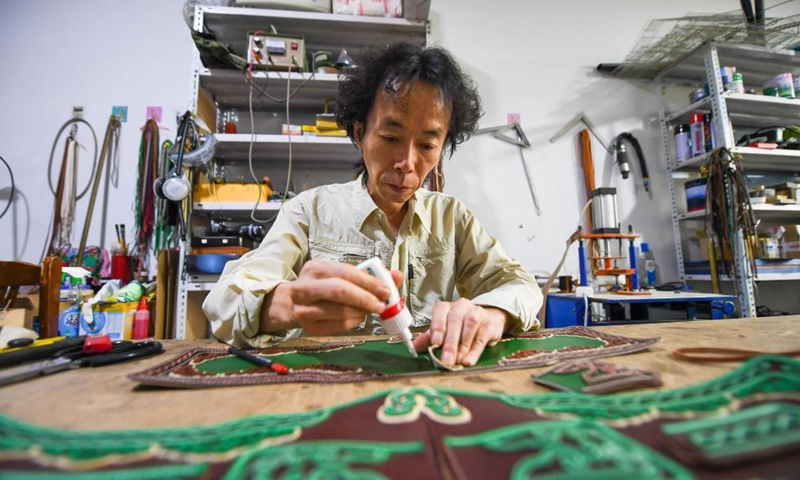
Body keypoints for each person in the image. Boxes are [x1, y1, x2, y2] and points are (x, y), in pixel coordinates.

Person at [203, 42, 543, 367]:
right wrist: (286, 304)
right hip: (327, 392)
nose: (407, 163)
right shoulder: (309, 212)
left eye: (427, 145)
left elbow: (522, 287)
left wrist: (489, 314)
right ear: (359, 132)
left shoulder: (452, 219)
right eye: (391, 138)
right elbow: (223, 304)